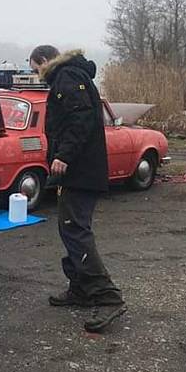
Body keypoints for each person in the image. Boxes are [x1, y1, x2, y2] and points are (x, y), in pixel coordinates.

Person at [29, 45, 126, 332]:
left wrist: (63, 155)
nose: (35, 74)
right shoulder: (69, 76)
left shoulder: (67, 77)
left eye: (34, 68)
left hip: (80, 170)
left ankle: (106, 296)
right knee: (69, 226)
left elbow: (81, 119)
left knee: (75, 228)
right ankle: (80, 289)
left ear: (44, 61)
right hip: (78, 171)